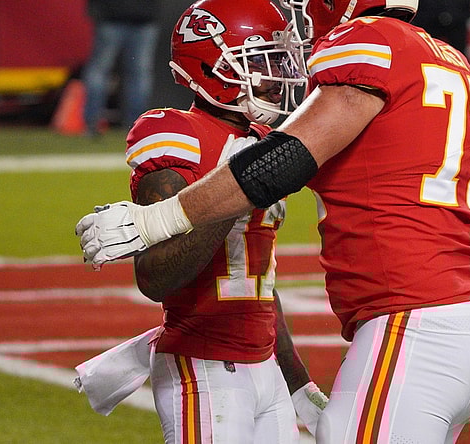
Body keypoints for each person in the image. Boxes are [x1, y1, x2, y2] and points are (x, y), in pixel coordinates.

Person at [77, 0, 470, 442]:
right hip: (464, 317)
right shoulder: (446, 57)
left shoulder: (371, 41)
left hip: (410, 320)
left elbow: (285, 160)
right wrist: (299, 385)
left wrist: (159, 219)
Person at [77, 1, 327, 442]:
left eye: (280, 59)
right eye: (262, 60)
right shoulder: (178, 134)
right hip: (204, 366)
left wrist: (297, 381)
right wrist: (234, 192)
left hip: (264, 367)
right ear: (213, 66)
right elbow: (156, 277)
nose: (277, 76)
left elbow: (258, 284)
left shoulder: (261, 142)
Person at [81, 0, 163, 136]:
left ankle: (91, 123)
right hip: (142, 15)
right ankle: (137, 126)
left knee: (100, 71)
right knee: (139, 74)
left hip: (112, 14)